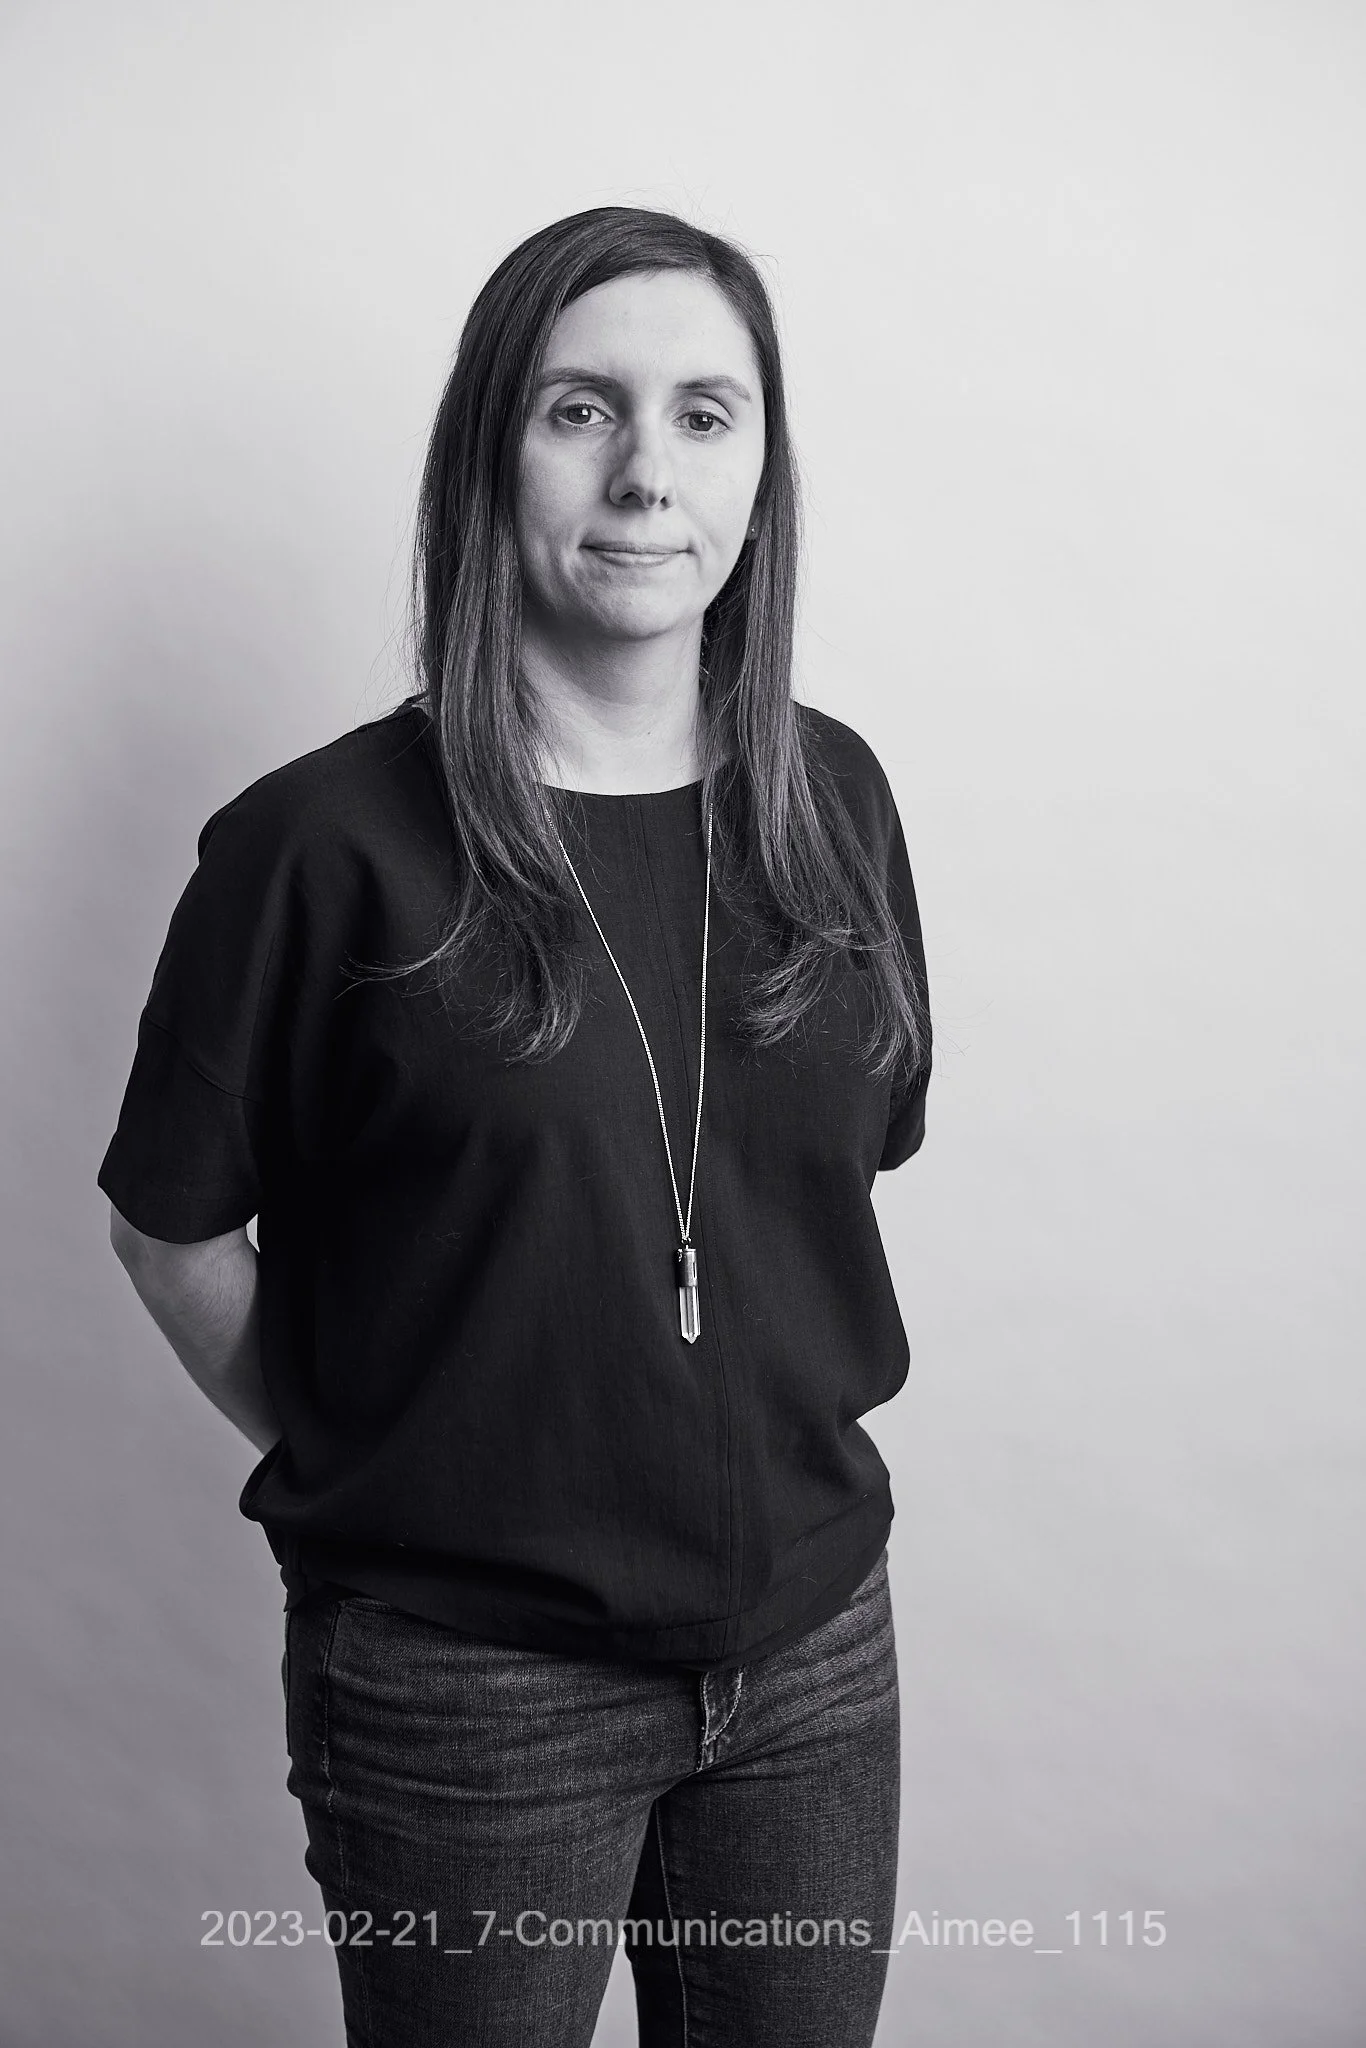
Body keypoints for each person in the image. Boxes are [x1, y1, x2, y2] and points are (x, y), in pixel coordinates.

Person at [98, 206, 932, 2048]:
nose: (647, 474)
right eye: (581, 409)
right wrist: (394, 1457)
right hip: (469, 1693)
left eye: (704, 414)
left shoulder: (836, 801)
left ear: (761, 471)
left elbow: (827, 1177)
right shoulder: (317, 846)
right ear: (492, 448)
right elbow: (170, 1231)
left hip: (812, 1657)